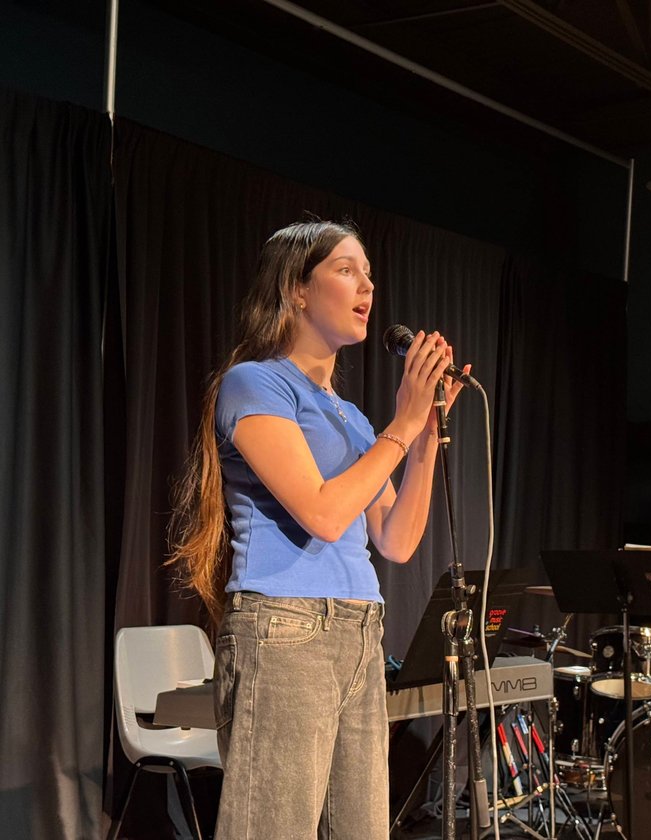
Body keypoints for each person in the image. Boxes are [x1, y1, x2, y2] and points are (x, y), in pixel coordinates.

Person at [169, 220, 471, 839]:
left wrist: (423, 436)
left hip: (359, 630)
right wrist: (400, 427)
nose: (367, 286)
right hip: (287, 629)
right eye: (346, 269)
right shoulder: (256, 382)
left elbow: (396, 540)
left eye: (369, 275)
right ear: (297, 289)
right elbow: (325, 515)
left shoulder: (351, 416)